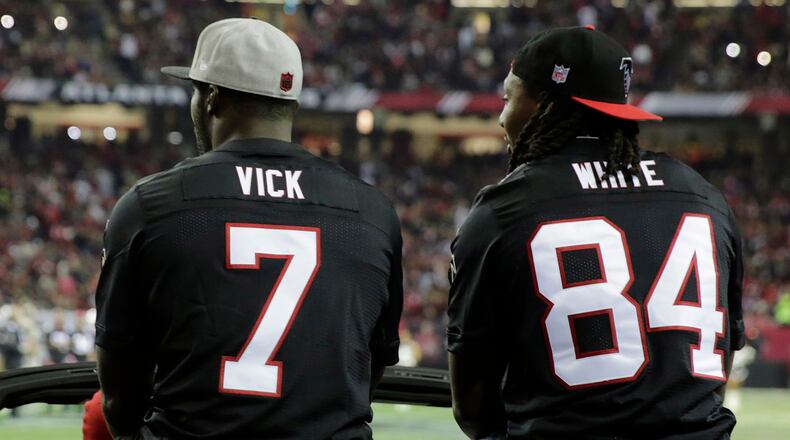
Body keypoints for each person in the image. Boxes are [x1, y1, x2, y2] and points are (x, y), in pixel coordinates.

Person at [92, 18, 402, 439]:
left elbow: (119, 398)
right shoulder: (371, 211)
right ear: (290, 103)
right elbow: (371, 367)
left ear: (212, 99)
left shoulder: (151, 205)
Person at [447, 26, 744, 440]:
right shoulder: (702, 195)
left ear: (545, 105)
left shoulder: (504, 209)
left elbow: (473, 407)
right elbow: (718, 364)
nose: (501, 117)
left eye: (508, 98)